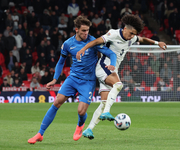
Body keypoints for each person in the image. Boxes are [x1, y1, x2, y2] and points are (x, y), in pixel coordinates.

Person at [28, 15, 116, 144]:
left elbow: (111, 53)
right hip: (73, 78)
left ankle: (80, 124)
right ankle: (40, 134)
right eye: (83, 31)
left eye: (87, 30)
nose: (86, 33)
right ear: (76, 30)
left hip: (88, 81)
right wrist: (54, 79)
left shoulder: (93, 42)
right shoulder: (68, 43)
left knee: (81, 111)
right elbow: (60, 62)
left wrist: (112, 64)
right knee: (57, 102)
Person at [76, 14, 167, 139]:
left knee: (103, 103)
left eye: (134, 34)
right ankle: (107, 112)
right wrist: (83, 49)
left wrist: (157, 42)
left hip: (112, 71)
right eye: (131, 33)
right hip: (104, 67)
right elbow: (97, 41)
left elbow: (143, 39)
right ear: (125, 28)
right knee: (118, 85)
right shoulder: (113, 34)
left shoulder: (132, 38)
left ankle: (89, 130)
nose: (132, 37)